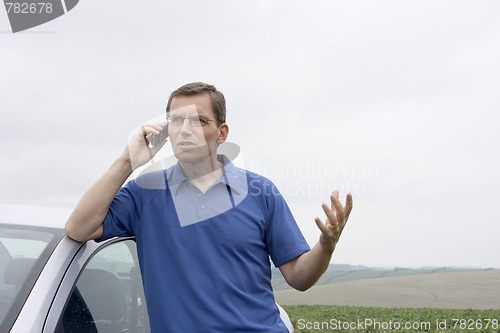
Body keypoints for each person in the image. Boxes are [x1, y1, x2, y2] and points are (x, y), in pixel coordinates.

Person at [65, 82, 353, 332]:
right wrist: (127, 161)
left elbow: (298, 277)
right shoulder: (143, 194)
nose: (185, 130)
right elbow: (79, 228)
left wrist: (326, 246)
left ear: (222, 132)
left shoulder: (260, 192)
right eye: (176, 121)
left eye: (199, 121)